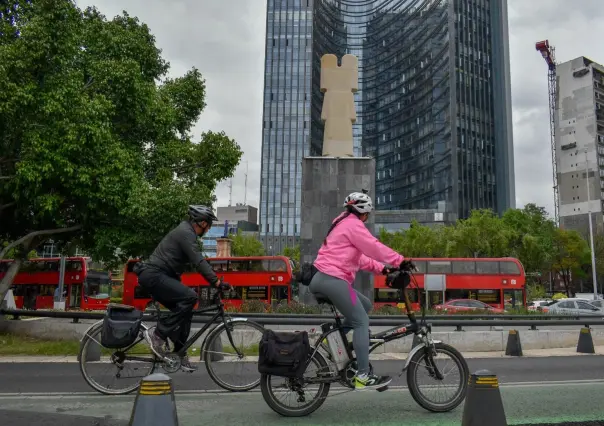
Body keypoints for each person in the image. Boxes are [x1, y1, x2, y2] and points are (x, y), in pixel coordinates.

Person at [309, 192, 413, 391]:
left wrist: (384, 268)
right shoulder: (353, 225)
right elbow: (373, 247)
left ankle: (333, 336)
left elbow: (360, 259)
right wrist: (400, 260)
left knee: (365, 305)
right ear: (364, 212)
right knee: (361, 321)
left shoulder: (342, 222)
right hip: (332, 279)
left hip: (326, 278)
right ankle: (363, 375)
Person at [134, 205, 230, 372]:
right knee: (190, 297)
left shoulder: (186, 233)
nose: (208, 229)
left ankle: (179, 352)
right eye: (209, 225)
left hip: (160, 276)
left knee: (186, 312)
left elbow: (191, 264)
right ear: (201, 223)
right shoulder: (186, 233)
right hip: (154, 275)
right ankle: (158, 334)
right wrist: (216, 282)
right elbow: (198, 261)